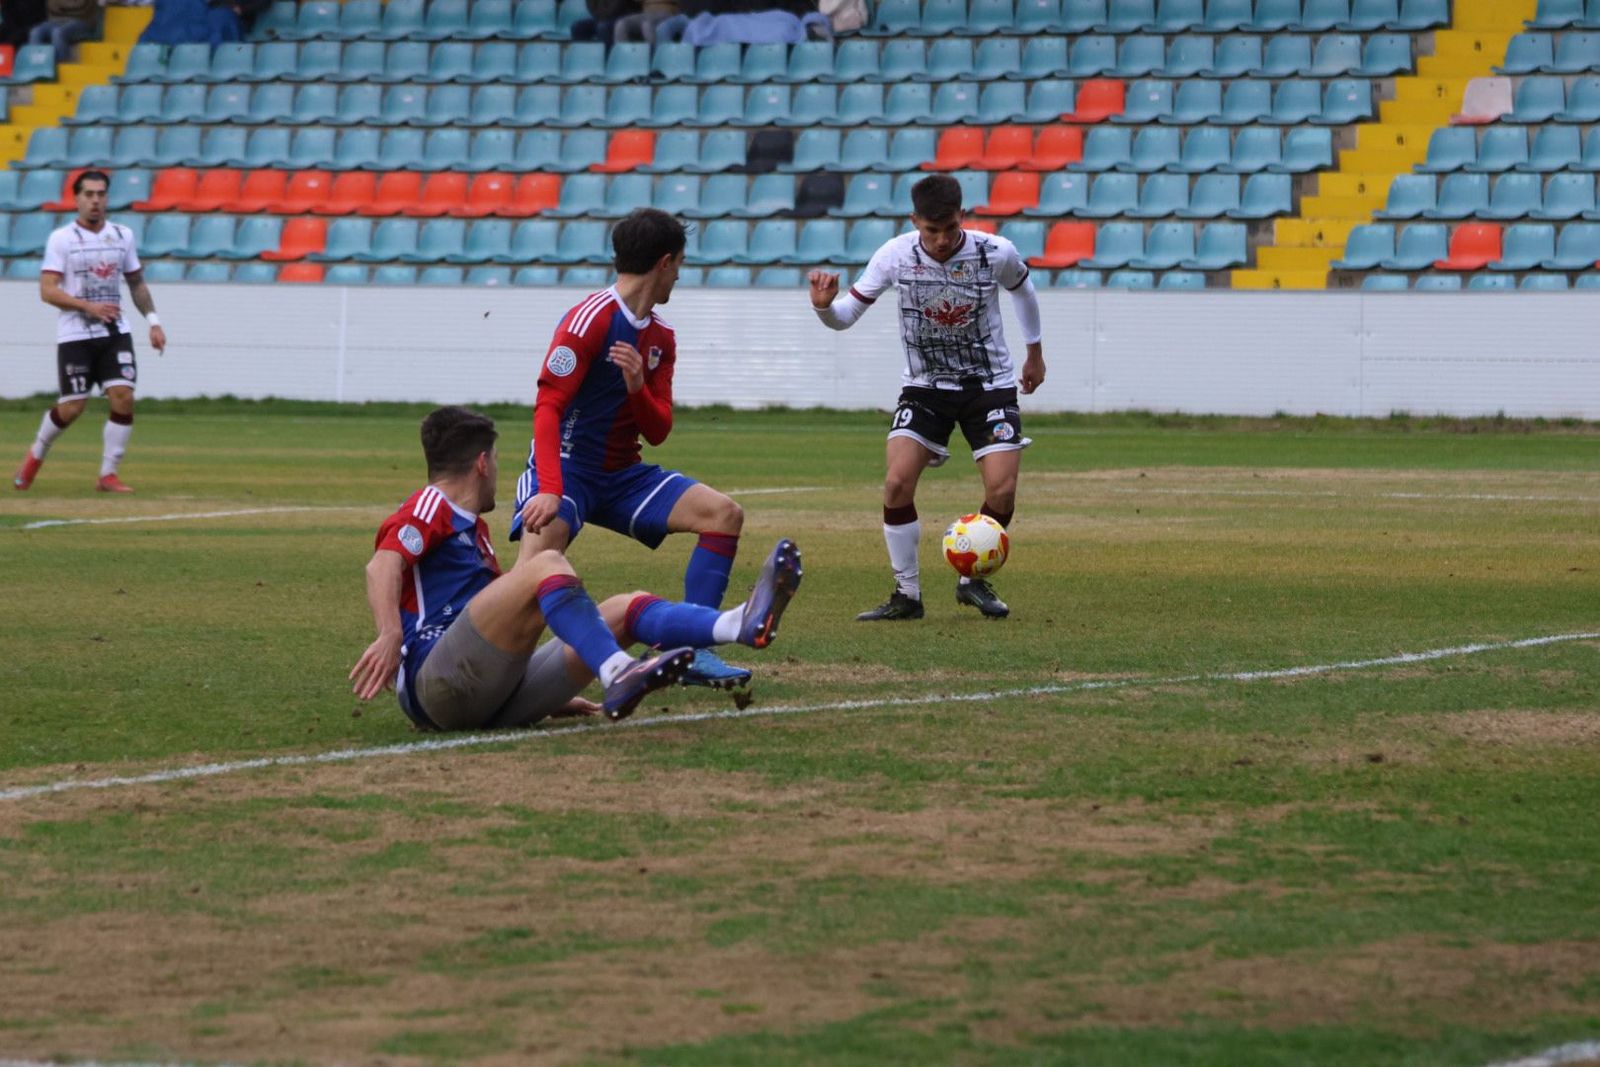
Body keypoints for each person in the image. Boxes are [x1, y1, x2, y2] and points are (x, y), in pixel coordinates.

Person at [350, 406, 804, 731]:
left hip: (486, 695)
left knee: (624, 610)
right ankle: (616, 671)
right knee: (544, 562)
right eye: (497, 462)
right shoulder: (433, 504)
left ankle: (736, 623)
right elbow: (384, 563)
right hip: (437, 682)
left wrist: (549, 694)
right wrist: (390, 633)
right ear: (482, 463)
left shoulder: (477, 531)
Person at [512, 207, 755, 691]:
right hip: (565, 467)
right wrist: (551, 490)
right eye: (680, 264)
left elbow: (659, 428)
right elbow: (547, 408)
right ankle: (493, 672)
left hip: (624, 475)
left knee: (723, 514)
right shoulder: (588, 321)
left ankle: (691, 651)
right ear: (665, 263)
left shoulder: (660, 337)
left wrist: (637, 387)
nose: (681, 275)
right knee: (531, 577)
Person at [807, 173, 1047, 621]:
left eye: (948, 229)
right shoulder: (894, 256)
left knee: (1003, 488)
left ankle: (971, 580)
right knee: (897, 482)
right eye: (930, 230)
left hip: (989, 383)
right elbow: (845, 317)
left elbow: (1024, 292)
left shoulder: (995, 252)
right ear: (914, 220)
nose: (939, 240)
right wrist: (823, 306)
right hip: (925, 385)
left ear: (962, 216)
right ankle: (907, 595)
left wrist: (1034, 354)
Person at [13, 170, 167, 494]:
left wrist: (153, 321)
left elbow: (136, 282)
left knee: (123, 397)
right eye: (89, 194)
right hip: (76, 335)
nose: (95, 200)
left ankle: (107, 475)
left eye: (101, 194)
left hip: (115, 332)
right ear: (77, 198)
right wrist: (88, 307)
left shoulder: (122, 235)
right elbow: (47, 290)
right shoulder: (62, 239)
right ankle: (35, 456)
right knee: (73, 407)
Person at [26, 0, 100, 61]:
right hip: (56, 21)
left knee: (58, 33)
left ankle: (63, 65)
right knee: (35, 32)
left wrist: (62, 6)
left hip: (81, 20)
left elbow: (81, 8)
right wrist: (70, 5)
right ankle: (36, 66)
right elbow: (52, 6)